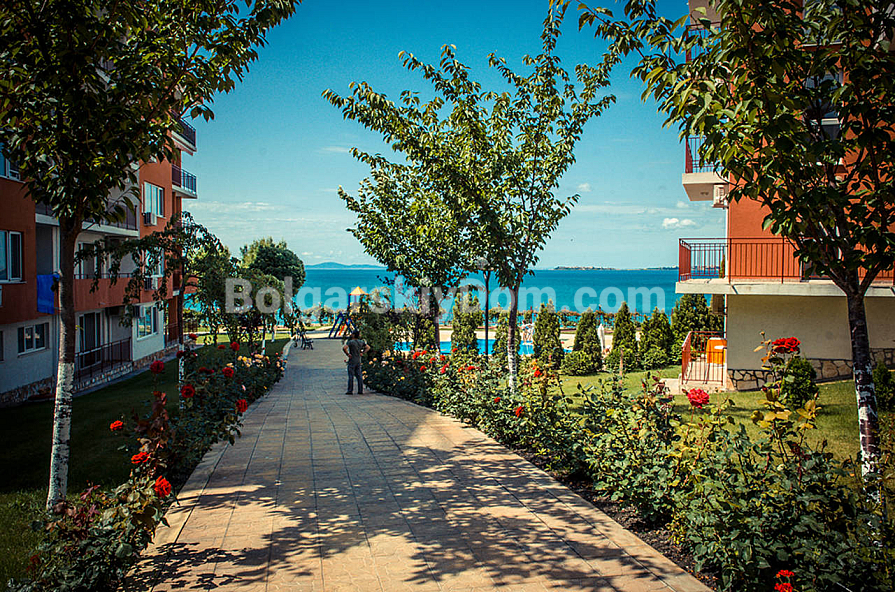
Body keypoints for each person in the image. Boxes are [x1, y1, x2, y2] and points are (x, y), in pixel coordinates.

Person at [342, 330, 370, 395]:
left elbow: (344, 348)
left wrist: (348, 354)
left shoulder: (351, 342)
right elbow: (368, 347)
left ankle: (350, 390)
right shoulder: (361, 342)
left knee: (351, 376)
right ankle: (360, 390)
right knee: (359, 375)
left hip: (352, 360)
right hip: (358, 360)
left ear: (354, 335)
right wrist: (362, 352)